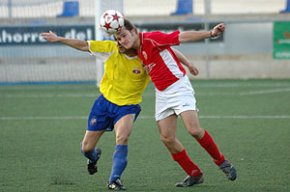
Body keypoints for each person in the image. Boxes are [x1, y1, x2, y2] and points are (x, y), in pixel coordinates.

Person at [40, 31, 197, 190]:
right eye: (117, 39)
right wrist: (59, 39)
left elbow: (170, 50)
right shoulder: (110, 49)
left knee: (122, 137)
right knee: (86, 148)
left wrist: (188, 63)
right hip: (104, 104)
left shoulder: (144, 54)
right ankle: (93, 157)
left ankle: (114, 180)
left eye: (122, 39)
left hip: (128, 106)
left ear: (131, 38)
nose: (119, 43)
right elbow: (83, 45)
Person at [115, 20, 237, 187]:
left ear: (134, 31)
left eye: (124, 35)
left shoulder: (152, 38)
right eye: (119, 38)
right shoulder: (135, 50)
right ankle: (194, 173)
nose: (122, 40)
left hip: (178, 86)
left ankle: (223, 162)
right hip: (162, 94)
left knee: (193, 129)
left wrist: (210, 34)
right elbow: (170, 50)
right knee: (167, 138)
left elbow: (181, 36)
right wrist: (189, 63)